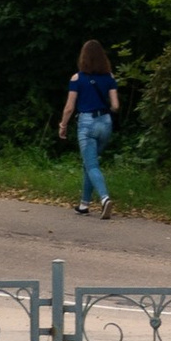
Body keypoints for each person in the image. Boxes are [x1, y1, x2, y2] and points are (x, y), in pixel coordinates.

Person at [56, 38, 120, 219]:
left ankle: (105, 198)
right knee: (89, 163)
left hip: (87, 124)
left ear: (83, 57)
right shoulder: (110, 77)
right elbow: (115, 105)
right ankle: (84, 204)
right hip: (106, 123)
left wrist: (63, 125)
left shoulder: (77, 78)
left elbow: (69, 107)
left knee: (91, 164)